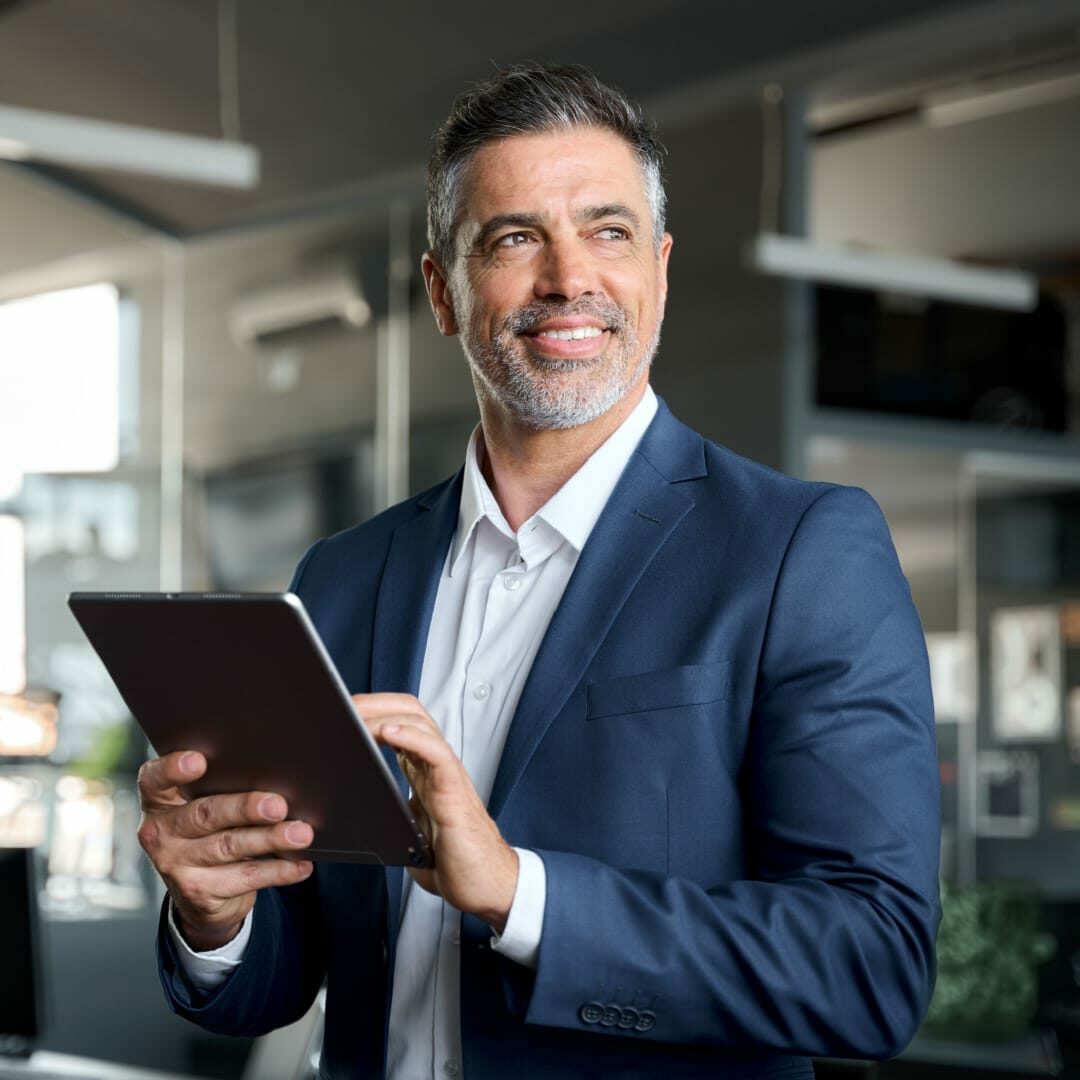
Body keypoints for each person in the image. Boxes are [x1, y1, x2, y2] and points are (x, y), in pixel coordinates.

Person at [139, 63, 941, 1079]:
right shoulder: (343, 576)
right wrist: (215, 913)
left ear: (659, 266)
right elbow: (293, 968)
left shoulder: (801, 551)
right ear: (443, 290)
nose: (569, 277)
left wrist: (522, 895)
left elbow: (871, 968)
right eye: (515, 238)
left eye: (607, 232)